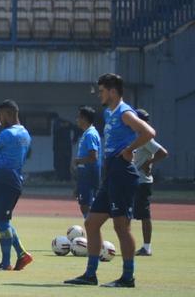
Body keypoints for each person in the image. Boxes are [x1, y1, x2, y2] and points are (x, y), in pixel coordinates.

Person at [64, 73, 157, 288]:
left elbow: (149, 132)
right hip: (111, 173)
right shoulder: (108, 112)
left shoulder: (124, 112)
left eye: (102, 91)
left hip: (123, 173)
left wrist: (129, 149)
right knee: (91, 222)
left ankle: (127, 277)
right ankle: (90, 275)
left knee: (121, 227)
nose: (100, 95)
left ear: (113, 91)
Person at [0, 100, 33, 271]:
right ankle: (21, 254)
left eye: (0, 114)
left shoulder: (8, 134)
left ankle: (6, 263)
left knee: (1, 220)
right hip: (13, 178)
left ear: (9, 114)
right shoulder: (25, 133)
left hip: (7, 178)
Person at [131, 109, 167, 257]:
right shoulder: (137, 137)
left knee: (144, 214)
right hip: (133, 181)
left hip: (142, 182)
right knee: (131, 213)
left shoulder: (146, 138)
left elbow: (163, 152)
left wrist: (149, 162)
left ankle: (147, 247)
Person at [72, 106, 100, 221]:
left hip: (89, 174)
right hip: (84, 174)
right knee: (84, 203)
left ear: (84, 119)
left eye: (78, 117)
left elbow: (93, 157)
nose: (77, 120)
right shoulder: (87, 133)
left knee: (86, 205)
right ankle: (91, 229)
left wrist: (77, 161)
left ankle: (91, 230)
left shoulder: (90, 134)